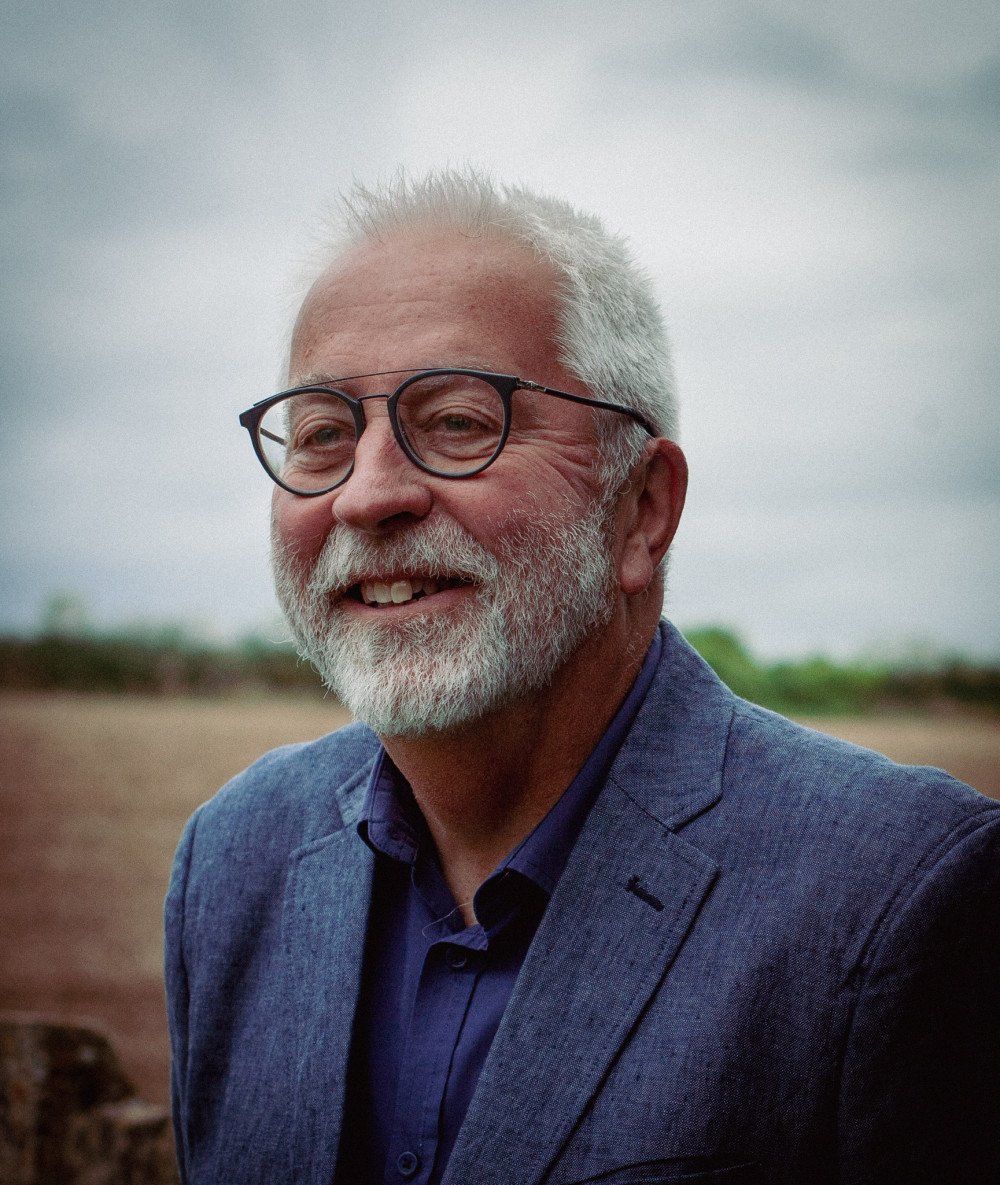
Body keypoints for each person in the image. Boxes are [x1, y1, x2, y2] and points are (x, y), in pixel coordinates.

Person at [165, 170, 1000, 1185]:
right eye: (322, 435)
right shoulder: (232, 861)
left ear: (641, 508)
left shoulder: (903, 892)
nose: (367, 494)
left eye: (458, 420)